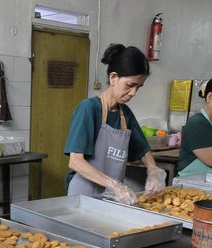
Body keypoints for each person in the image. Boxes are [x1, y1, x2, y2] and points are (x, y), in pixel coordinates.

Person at [64, 43, 166, 205]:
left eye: (138, 87)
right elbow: (75, 161)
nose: (133, 93)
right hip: (84, 196)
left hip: (112, 198)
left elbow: (143, 151)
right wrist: (115, 185)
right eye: (130, 85)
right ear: (113, 78)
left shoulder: (125, 114)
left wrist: (153, 171)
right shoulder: (89, 109)